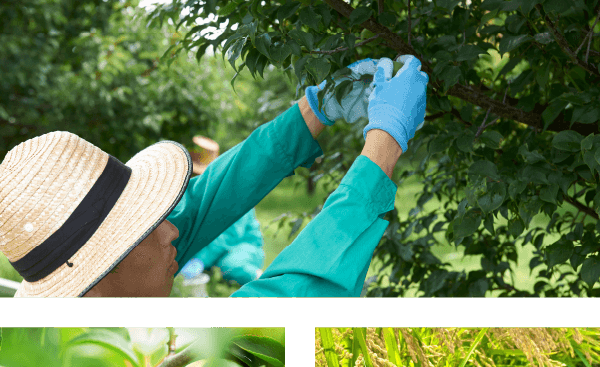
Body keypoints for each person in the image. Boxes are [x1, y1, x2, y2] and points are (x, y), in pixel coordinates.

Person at [0, 55, 428, 297]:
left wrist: (314, 111)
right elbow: (305, 286)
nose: (173, 227)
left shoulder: (126, 274)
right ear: (104, 266)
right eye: (145, 225)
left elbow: (209, 197)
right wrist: (384, 142)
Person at [180, 135, 265, 287]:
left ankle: (266, 283)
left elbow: (227, 236)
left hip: (243, 245)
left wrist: (200, 260)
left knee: (230, 266)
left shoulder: (233, 195)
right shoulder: (190, 194)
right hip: (212, 249)